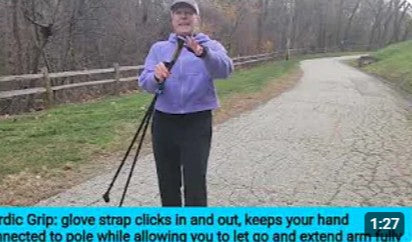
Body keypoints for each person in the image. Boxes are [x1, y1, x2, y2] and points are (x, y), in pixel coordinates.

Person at [138, 0, 233, 207]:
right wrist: (155, 77)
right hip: (164, 121)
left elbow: (225, 70)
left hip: (196, 122)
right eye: (179, 13)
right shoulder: (158, 48)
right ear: (172, 19)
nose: (183, 16)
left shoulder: (211, 46)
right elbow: (144, 83)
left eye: (189, 13)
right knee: (168, 183)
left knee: (195, 183)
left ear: (197, 19)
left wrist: (203, 53)